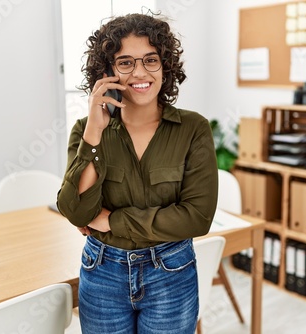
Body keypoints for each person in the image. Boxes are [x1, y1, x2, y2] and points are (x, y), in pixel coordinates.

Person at [56, 13, 218, 334]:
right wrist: (94, 133)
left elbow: (197, 217)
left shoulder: (193, 128)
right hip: (102, 272)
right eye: (126, 62)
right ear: (108, 72)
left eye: (150, 60)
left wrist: (111, 221)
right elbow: (76, 211)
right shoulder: (86, 132)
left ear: (165, 65)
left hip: (171, 272)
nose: (140, 72)